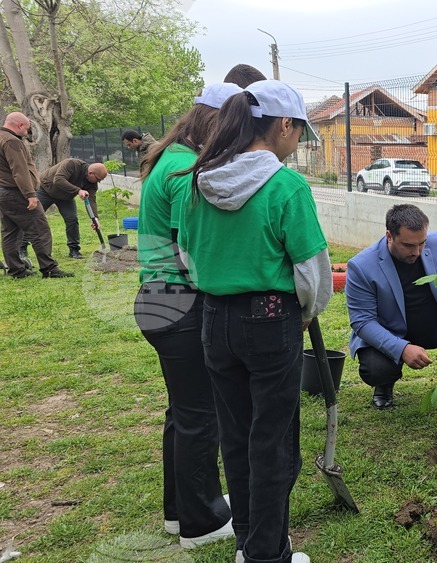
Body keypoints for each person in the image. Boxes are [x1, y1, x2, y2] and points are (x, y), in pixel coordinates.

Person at [179, 79, 330, 563]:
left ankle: (248, 542)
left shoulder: (199, 182)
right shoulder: (286, 186)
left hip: (214, 319)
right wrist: (304, 313)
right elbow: (312, 272)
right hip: (269, 321)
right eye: (300, 131)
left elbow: (187, 256)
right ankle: (267, 554)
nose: (298, 142)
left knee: (236, 434)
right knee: (273, 442)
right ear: (284, 125)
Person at [133, 83, 243, 550]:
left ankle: (179, 512)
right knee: (201, 415)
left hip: (157, 297)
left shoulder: (169, 157)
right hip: (179, 301)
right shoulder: (184, 171)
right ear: (215, 123)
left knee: (183, 412)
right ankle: (202, 523)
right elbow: (190, 249)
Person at [345, 204, 437, 410]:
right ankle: (384, 384)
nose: (417, 252)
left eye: (422, 243)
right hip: (390, 330)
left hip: (434, 321)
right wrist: (401, 348)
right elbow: (362, 322)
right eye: (409, 246)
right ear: (389, 236)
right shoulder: (361, 266)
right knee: (377, 371)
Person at [0, 112, 73, 279]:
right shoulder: (11, 141)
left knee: (10, 232)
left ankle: (16, 270)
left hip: (3, 192)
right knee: (40, 229)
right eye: (26, 129)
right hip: (16, 192)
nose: (27, 133)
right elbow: (19, 171)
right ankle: (49, 268)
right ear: (19, 125)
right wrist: (30, 194)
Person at [18, 159, 107, 259]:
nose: (98, 182)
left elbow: (91, 200)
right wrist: (78, 191)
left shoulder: (92, 183)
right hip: (46, 190)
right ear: (90, 173)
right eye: (98, 179)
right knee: (32, 217)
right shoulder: (72, 164)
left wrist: (94, 218)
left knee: (72, 219)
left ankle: (74, 250)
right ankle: (22, 247)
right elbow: (58, 180)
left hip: (65, 197)